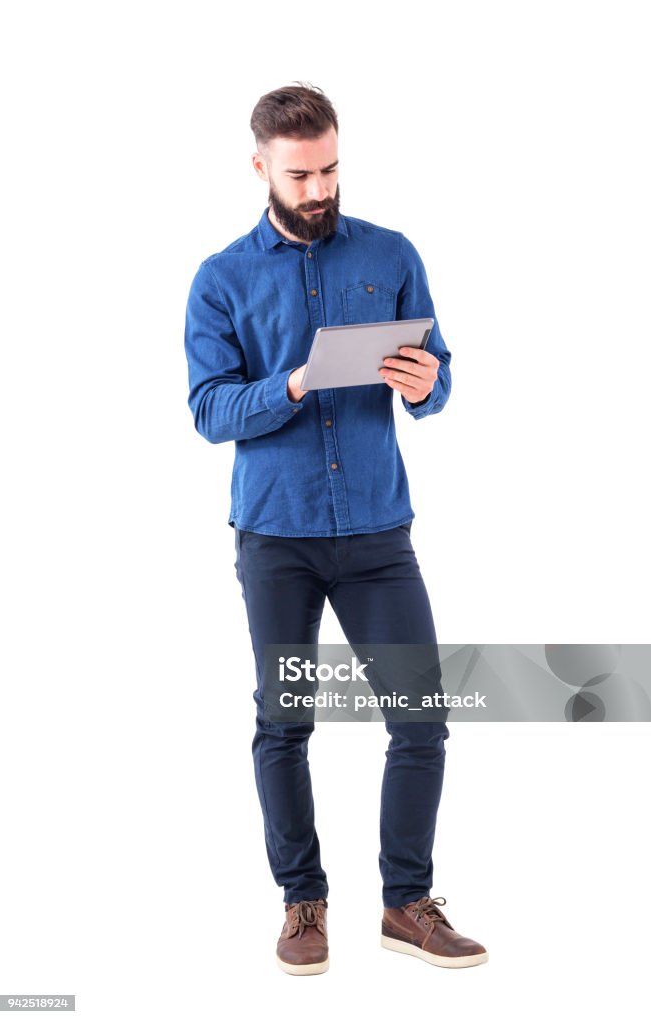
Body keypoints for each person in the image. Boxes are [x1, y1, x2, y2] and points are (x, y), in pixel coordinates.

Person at [184, 82, 487, 975]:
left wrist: (420, 382)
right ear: (260, 169)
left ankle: (405, 903)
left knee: (421, 719)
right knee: (285, 721)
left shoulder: (391, 254)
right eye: (300, 175)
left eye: (330, 170)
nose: (319, 190)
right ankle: (302, 903)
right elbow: (206, 412)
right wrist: (291, 384)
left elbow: (441, 383)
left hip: (377, 534)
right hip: (274, 537)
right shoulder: (220, 279)